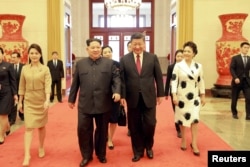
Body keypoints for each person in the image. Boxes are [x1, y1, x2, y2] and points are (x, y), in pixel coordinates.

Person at [68, 38, 121, 167]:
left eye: (98, 47)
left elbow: (116, 79)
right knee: (83, 130)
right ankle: (86, 156)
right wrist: (71, 99)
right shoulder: (80, 64)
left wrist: (117, 91)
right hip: (85, 103)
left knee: (102, 131)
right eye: (93, 47)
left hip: (104, 103)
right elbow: (75, 84)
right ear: (87, 49)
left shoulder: (109, 64)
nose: (96, 50)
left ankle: (101, 154)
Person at [120, 32, 164, 162]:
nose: (137, 47)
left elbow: (158, 77)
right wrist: (122, 95)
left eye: (140, 44)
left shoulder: (152, 57)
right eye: (135, 44)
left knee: (150, 124)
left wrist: (160, 93)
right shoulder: (124, 59)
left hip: (149, 96)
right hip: (132, 97)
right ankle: (137, 151)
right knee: (134, 125)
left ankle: (148, 147)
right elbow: (122, 80)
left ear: (144, 44)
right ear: (131, 44)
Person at [18, 43, 52, 166]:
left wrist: (47, 100)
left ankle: (41, 147)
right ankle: (27, 155)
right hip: (28, 101)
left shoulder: (45, 69)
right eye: (31, 53)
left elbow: (48, 86)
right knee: (28, 127)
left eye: (36, 53)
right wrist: (20, 102)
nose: (34, 55)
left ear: (40, 54)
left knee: (41, 126)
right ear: (29, 54)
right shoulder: (24, 69)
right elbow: (21, 86)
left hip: (41, 100)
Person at [171, 41, 205, 156]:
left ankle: (194, 143)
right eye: (184, 51)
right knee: (182, 119)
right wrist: (174, 95)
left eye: (188, 51)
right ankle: (184, 139)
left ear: (194, 53)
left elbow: (201, 81)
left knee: (195, 120)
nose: (186, 53)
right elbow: (174, 80)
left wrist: (203, 95)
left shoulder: (198, 66)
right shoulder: (178, 65)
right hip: (182, 97)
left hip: (194, 98)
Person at [101, 45, 120, 150]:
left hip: (115, 96)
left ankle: (110, 139)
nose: (107, 54)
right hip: (102, 96)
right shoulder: (99, 64)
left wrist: (121, 95)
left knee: (113, 119)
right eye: (105, 52)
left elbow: (121, 81)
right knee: (103, 119)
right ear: (102, 54)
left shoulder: (117, 64)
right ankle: (105, 135)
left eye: (109, 51)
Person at [0, 47, 18, 144]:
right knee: (3, 115)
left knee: (3, 114)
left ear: (2, 54)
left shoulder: (8, 66)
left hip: (6, 93)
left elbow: (13, 81)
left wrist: (15, 94)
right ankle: (6, 127)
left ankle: (1, 136)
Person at [164, 49, 183, 138]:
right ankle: (178, 129)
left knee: (182, 110)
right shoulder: (171, 67)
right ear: (175, 57)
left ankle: (182, 125)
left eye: (181, 56)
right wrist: (166, 92)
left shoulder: (186, 67)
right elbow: (168, 80)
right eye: (178, 56)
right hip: (174, 91)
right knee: (176, 110)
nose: (179, 58)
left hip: (184, 91)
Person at [230, 41, 250, 120]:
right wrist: (235, 78)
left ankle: (248, 115)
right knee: (234, 99)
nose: (246, 49)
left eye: (248, 48)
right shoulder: (235, 58)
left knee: (249, 98)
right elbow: (231, 69)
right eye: (245, 48)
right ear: (241, 48)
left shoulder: (249, 58)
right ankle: (234, 113)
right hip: (237, 82)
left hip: (247, 82)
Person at [8, 52, 25, 125]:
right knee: (13, 104)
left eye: (14, 57)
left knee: (22, 102)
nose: (13, 59)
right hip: (12, 89)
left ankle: (22, 115)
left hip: (21, 88)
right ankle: (13, 118)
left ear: (18, 58)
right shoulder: (9, 66)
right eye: (12, 57)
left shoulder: (23, 67)